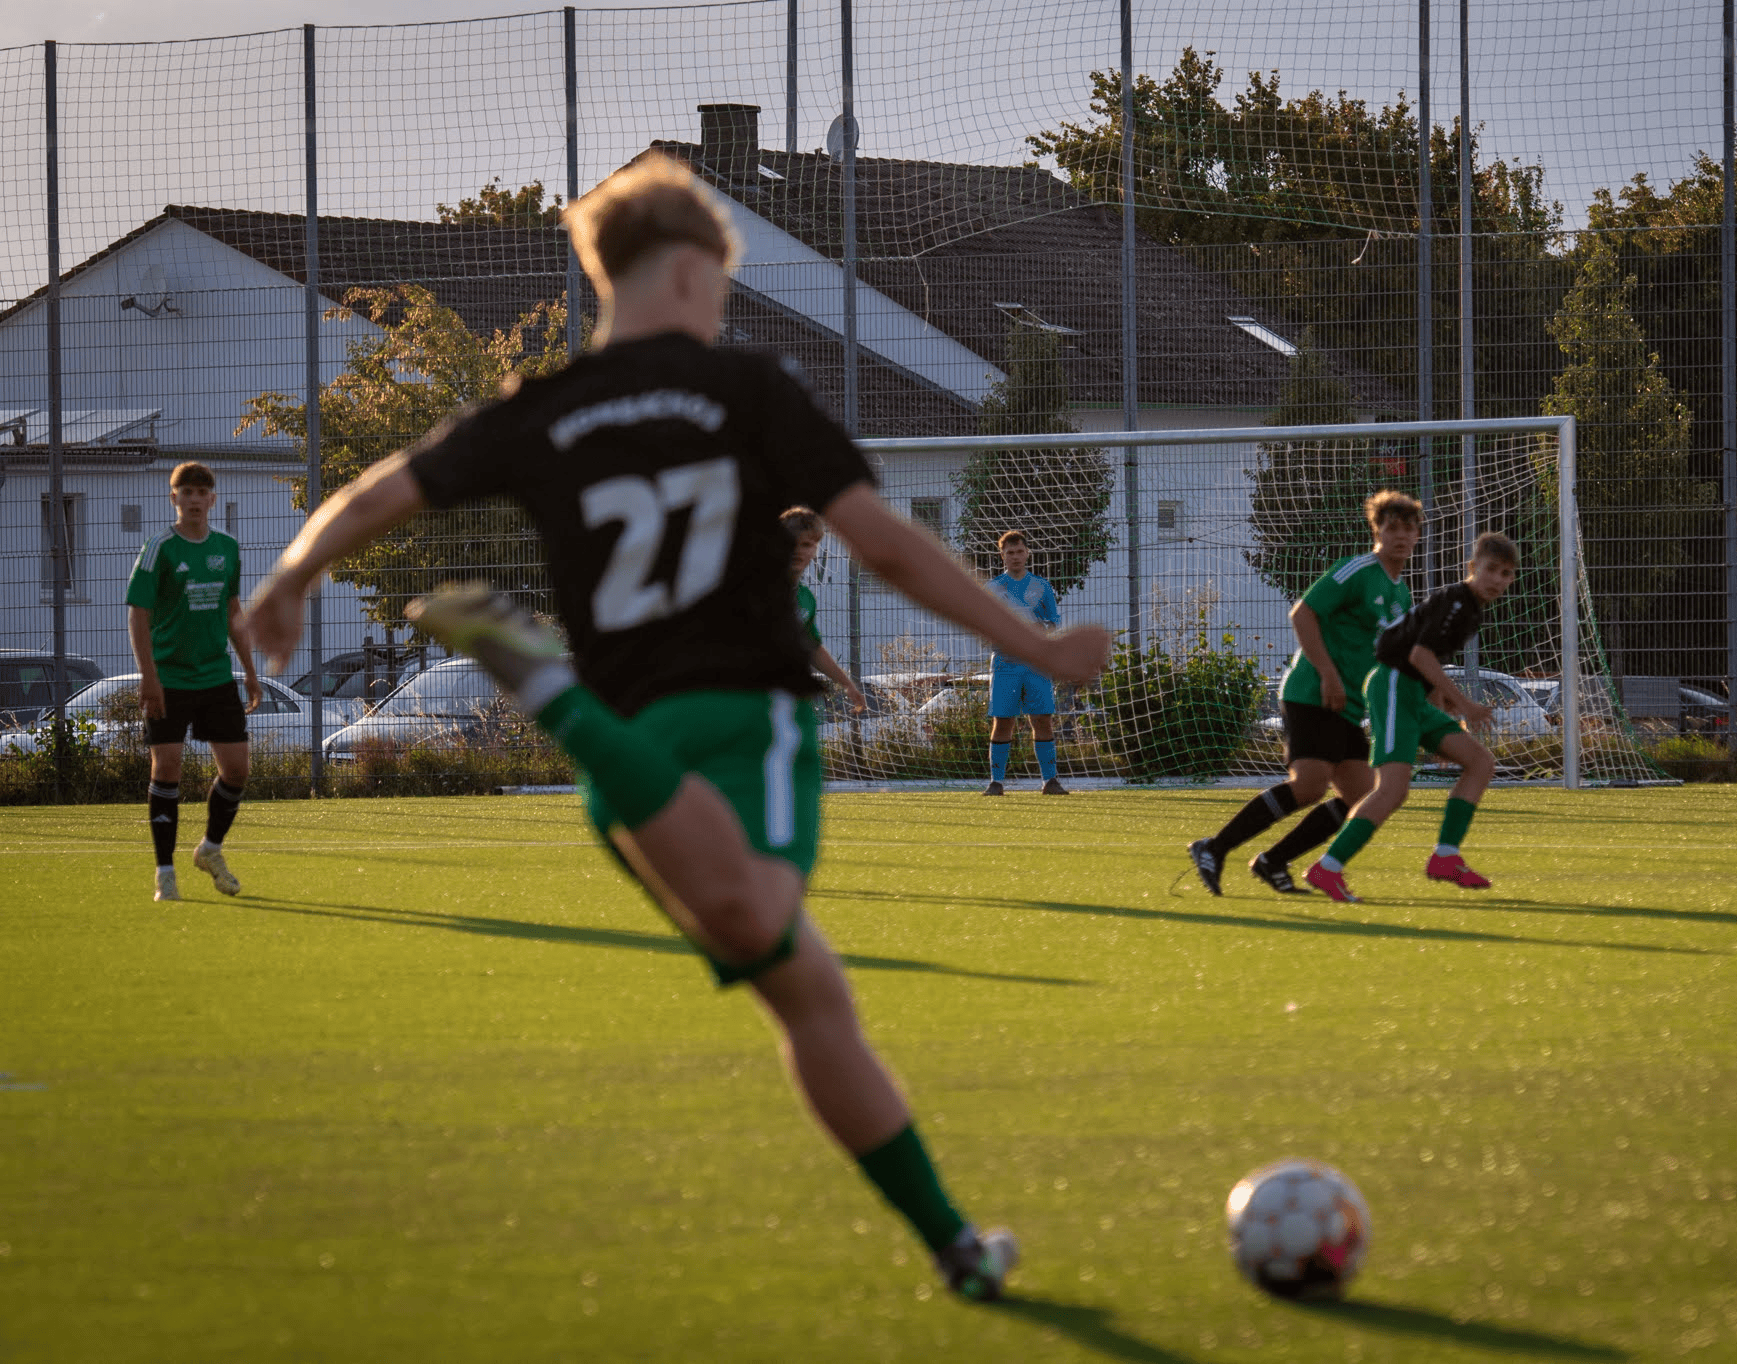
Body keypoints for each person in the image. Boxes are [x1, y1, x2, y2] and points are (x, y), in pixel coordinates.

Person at [247, 152, 1110, 1301]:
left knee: (806, 989)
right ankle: (541, 683)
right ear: (700, 270)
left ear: (607, 273)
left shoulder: (541, 407)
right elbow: (888, 545)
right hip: (744, 721)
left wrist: (294, 572)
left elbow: (384, 488)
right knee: (764, 912)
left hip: (630, 756)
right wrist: (1037, 646)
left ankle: (951, 1240)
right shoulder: (747, 388)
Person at [1188, 490, 1421, 896]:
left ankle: (1272, 862)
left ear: (1418, 534)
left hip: (1348, 705)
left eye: (1409, 528)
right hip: (1312, 692)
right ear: (1376, 531)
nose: (1400, 536)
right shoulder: (1357, 571)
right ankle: (1214, 847)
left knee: (1361, 797)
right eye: (1391, 528)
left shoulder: (1402, 593)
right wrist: (1328, 674)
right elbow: (1303, 612)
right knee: (1311, 785)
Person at [1305, 530, 1521, 903]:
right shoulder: (1456, 600)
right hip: (1392, 686)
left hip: (1413, 696)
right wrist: (1465, 704)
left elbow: (1427, 661)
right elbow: (1419, 656)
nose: (1498, 580)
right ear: (1472, 568)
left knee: (1480, 763)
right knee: (1392, 789)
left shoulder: (1471, 610)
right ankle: (1328, 867)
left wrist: (1439, 717)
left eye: (1506, 573)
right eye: (1491, 570)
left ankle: (1446, 857)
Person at [126, 460, 263, 902]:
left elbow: (233, 614)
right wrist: (150, 678)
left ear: (212, 500)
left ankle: (209, 849)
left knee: (237, 770)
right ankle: (165, 873)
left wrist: (250, 672)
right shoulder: (159, 548)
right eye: (186, 493)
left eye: (202, 493)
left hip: (215, 676)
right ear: (174, 500)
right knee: (166, 769)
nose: (195, 500)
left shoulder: (227, 547)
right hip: (168, 679)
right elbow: (138, 614)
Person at [983, 530, 1067, 796]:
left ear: (1027, 553)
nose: (1015, 557)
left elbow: (1054, 622)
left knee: (1042, 719)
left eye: (1020, 551)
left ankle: (1050, 781)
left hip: (1036, 662)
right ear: (1002, 556)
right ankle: (996, 783)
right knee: (1003, 721)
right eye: (1010, 552)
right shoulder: (993, 588)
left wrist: (1034, 627)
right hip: (1005, 663)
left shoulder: (1041, 586)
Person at [782, 505, 866, 716]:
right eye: (793, 543)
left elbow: (812, 647)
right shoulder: (753, 589)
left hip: (786, 699)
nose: (799, 550)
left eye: (807, 544)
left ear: (815, 549)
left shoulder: (805, 599)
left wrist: (847, 684)